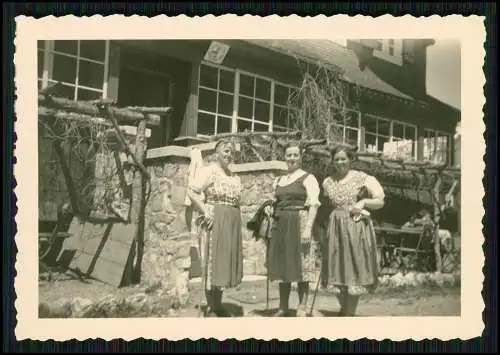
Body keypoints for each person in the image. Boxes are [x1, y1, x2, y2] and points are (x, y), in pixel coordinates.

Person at [322, 145, 385, 317]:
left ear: (350, 160)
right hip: (335, 227)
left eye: (343, 159)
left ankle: (349, 314)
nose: (340, 162)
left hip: (355, 227)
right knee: (336, 270)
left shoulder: (362, 178)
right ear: (332, 161)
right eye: (337, 159)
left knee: (353, 271)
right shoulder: (327, 182)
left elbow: (380, 201)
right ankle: (345, 310)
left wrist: (364, 203)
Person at [186, 139, 244, 317]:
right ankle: (211, 306)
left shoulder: (234, 176)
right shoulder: (209, 170)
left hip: (231, 220)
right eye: (225, 151)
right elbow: (191, 191)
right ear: (217, 153)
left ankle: (218, 304)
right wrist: (205, 211)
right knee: (211, 260)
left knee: (224, 261)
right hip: (214, 218)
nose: (229, 154)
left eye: (231, 152)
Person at [266, 141, 321, 317]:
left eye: (295, 155)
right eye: (289, 155)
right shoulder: (279, 180)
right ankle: (283, 307)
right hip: (281, 223)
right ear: (284, 157)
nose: (291, 158)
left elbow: (313, 205)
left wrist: (308, 229)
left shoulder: (308, 178)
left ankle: (302, 307)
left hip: (300, 221)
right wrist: (270, 207)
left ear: (300, 157)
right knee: (283, 264)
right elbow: (275, 200)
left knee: (302, 264)